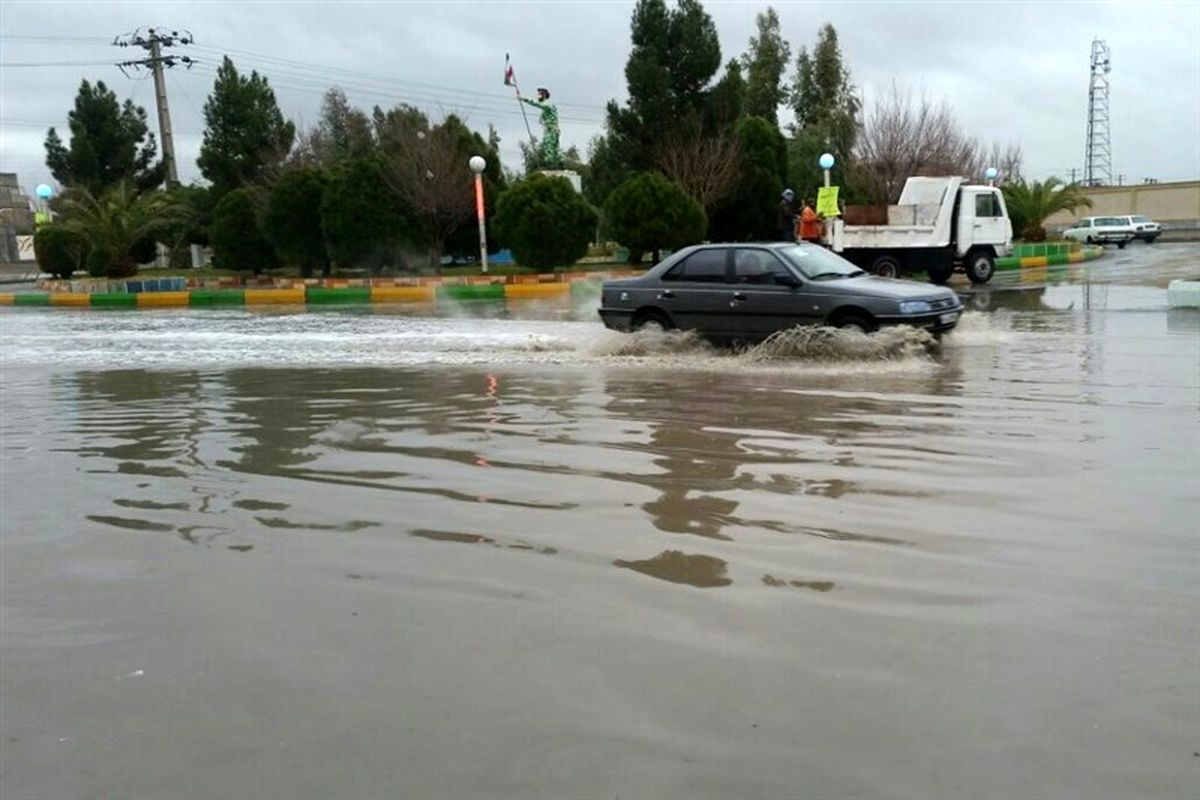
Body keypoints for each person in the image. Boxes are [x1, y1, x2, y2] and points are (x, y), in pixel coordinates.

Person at [518, 87, 561, 169]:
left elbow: (537, 104)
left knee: (550, 147)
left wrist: (524, 99)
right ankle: (552, 164)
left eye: (539, 94)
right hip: (549, 129)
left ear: (544, 95)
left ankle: (551, 165)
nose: (538, 96)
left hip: (552, 130)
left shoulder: (548, 104)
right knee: (548, 146)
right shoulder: (545, 109)